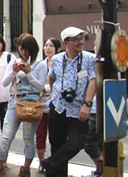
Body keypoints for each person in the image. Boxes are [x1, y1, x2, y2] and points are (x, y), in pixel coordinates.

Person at [41, 27, 97, 176]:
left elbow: (93, 81)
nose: (81, 42)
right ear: (66, 42)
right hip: (58, 107)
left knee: (76, 142)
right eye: (76, 40)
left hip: (78, 109)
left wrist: (87, 104)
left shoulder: (89, 58)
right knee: (56, 144)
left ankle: (50, 163)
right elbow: (52, 77)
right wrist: (54, 95)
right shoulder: (57, 59)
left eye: (82, 39)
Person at [0, 34, 46, 176]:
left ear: (33, 49)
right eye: (22, 49)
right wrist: (14, 71)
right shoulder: (14, 62)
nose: (24, 53)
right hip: (15, 101)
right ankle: (0, 165)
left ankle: (25, 168)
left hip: (32, 103)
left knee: (29, 138)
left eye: (27, 49)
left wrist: (29, 73)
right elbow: (4, 83)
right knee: (6, 136)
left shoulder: (40, 65)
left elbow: (40, 87)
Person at [36, 37, 61, 173]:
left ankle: (53, 162)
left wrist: (45, 88)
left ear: (57, 49)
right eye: (46, 45)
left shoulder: (60, 64)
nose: (48, 48)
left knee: (54, 136)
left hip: (55, 105)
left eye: (51, 46)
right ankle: (41, 162)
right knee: (40, 135)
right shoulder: (40, 64)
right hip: (40, 105)